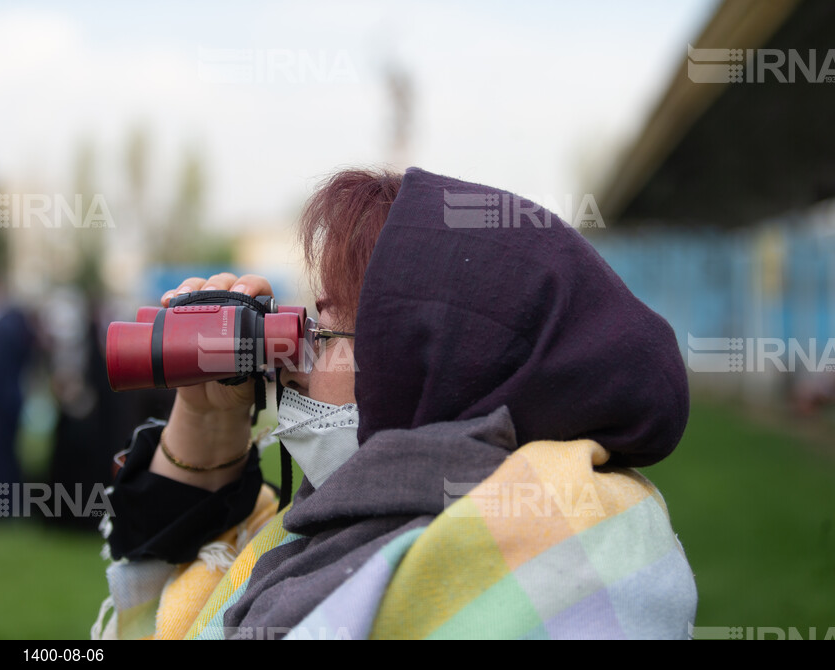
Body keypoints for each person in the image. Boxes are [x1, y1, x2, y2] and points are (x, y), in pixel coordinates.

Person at [95, 167, 697, 640]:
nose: (292, 362)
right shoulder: (372, 520)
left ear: (437, 368)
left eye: (322, 333)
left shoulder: (524, 562)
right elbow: (172, 565)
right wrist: (207, 416)